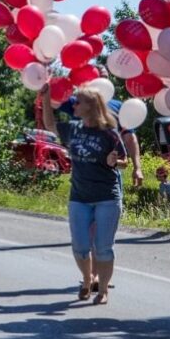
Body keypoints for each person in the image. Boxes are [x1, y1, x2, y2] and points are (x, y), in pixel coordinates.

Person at [40, 84, 127, 305]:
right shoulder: (74, 128)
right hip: (79, 196)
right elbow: (50, 124)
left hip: (106, 196)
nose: (74, 105)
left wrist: (114, 162)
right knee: (80, 246)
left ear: (91, 106)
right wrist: (47, 95)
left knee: (104, 248)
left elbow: (123, 161)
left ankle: (103, 290)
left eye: (78, 102)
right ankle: (87, 279)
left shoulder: (109, 132)